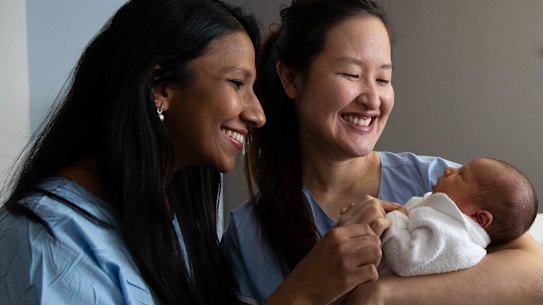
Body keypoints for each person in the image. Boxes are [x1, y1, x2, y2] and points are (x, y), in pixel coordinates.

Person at [220, 0, 543, 304]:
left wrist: (382, 294)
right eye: (351, 74)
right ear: (291, 79)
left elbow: (535, 276)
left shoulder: (443, 185)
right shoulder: (249, 233)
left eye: (383, 78)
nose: (373, 99)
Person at [0, 0, 265, 304]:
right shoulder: (45, 241)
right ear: (160, 88)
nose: (258, 114)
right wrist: (302, 296)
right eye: (237, 83)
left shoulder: (171, 221)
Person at [374, 157, 538, 277]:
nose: (449, 169)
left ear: (478, 217)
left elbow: (407, 258)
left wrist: (394, 217)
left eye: (460, 175)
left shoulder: (456, 238)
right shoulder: (442, 214)